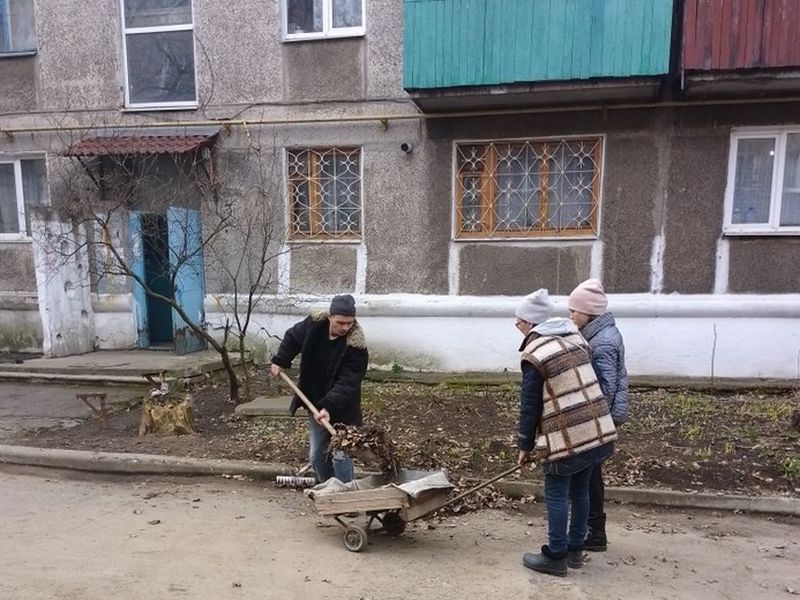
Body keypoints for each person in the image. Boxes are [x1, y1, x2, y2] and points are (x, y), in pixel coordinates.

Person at [515, 289, 617, 577]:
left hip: (569, 433)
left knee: (557, 491)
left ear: (531, 324)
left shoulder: (535, 353)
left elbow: (529, 404)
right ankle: (574, 550)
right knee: (580, 490)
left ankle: (556, 555)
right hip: (596, 428)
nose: (516, 327)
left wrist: (524, 444)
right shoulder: (574, 337)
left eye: (519, 321)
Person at [269, 294, 368, 484]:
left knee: (340, 455)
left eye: (349, 323)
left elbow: (347, 383)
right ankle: (328, 490)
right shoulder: (313, 326)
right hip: (314, 403)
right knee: (316, 457)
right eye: (341, 322)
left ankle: (348, 498)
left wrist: (328, 407)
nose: (346, 327)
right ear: (330, 317)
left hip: (342, 408)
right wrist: (280, 360)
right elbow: (292, 337)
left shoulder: (356, 347)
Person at [568, 278, 629, 552]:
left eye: (573, 311)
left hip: (599, 418)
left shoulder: (602, 342)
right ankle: (593, 530)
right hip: (601, 417)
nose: (570, 316)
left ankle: (594, 533)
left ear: (589, 312)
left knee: (588, 476)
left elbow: (605, 388)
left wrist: (588, 420)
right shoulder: (599, 334)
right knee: (591, 475)